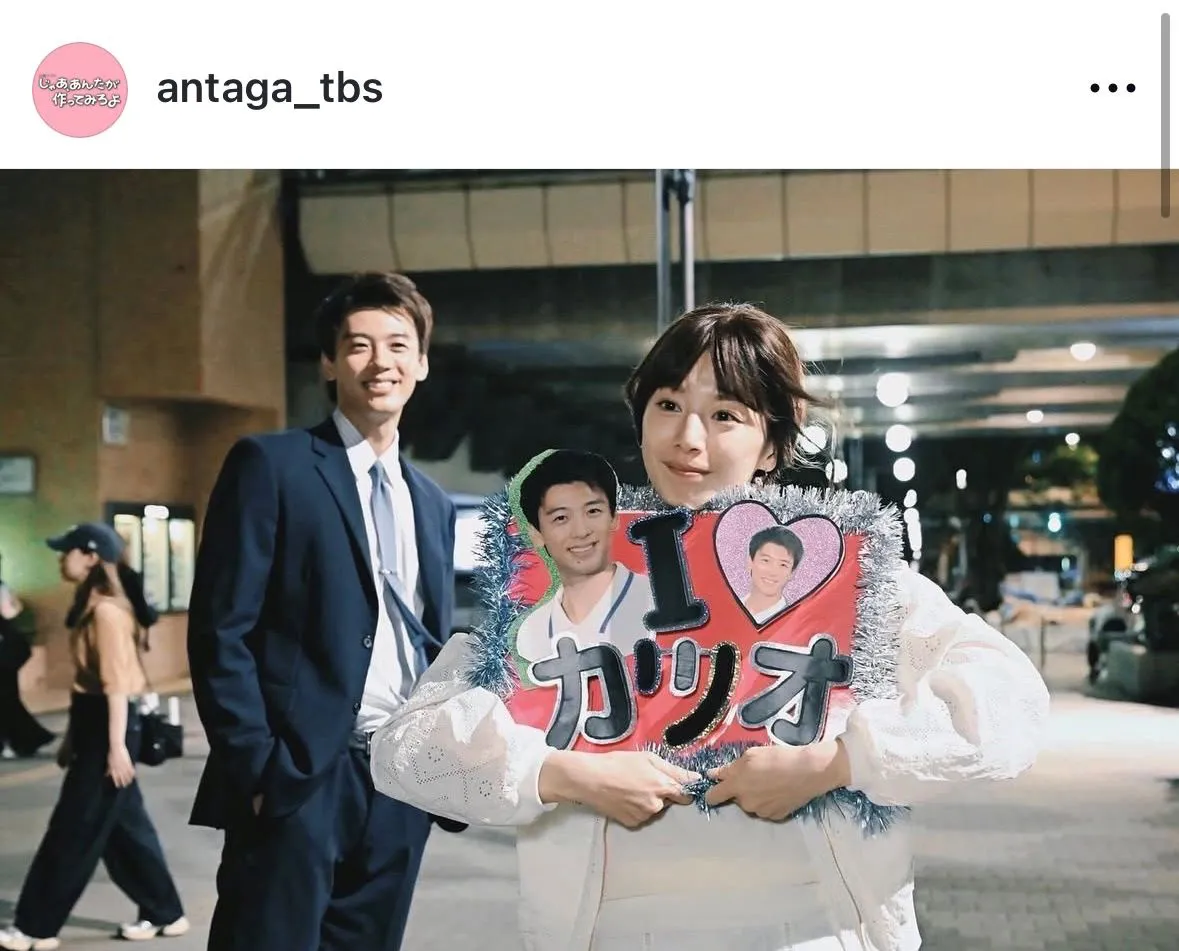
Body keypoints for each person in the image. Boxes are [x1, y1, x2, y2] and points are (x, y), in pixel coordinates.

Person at [368, 303, 1051, 951]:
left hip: (816, 926)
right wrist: (562, 773)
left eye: (724, 414)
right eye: (667, 405)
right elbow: (406, 749)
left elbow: (1010, 701)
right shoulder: (564, 574)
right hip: (614, 928)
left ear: (772, 443)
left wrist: (836, 762)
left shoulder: (842, 576)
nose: (687, 438)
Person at [186, 272, 460, 951]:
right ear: (330, 363)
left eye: (398, 345)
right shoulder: (272, 465)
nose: (380, 362)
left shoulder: (430, 501)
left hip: (400, 782)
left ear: (422, 363)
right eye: (358, 345)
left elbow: (429, 641)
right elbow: (222, 629)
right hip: (299, 779)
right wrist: (258, 768)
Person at [0, 523, 187, 951]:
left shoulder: (107, 613)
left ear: (89, 556)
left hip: (109, 727)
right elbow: (89, 687)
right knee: (124, 829)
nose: (59, 559)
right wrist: (74, 737)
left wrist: (116, 747)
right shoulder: (92, 605)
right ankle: (165, 912)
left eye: (65, 551)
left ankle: (34, 927)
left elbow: (116, 685)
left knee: (72, 831)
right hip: (96, 724)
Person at [513, 450, 655, 667]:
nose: (581, 531)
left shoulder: (656, 603)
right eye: (561, 518)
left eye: (593, 511)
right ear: (536, 534)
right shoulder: (532, 634)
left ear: (614, 518)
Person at [0, 578, 55, 759]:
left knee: (7, 698)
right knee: (8, 699)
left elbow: (9, 611)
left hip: (5, 652)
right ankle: (26, 740)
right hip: (8, 650)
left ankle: (25, 740)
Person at [741, 525, 804, 624]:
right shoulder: (725, 607)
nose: (772, 572)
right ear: (750, 562)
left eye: (783, 565)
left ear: (792, 573)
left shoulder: (795, 623)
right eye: (766, 560)